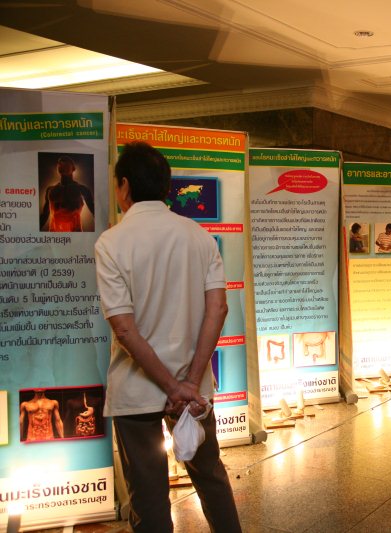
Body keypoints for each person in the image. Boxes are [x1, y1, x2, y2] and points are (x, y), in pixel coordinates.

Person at [94, 142, 241, 532]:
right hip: (194, 392)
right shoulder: (199, 237)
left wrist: (169, 387)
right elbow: (218, 309)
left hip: (137, 389)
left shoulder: (112, 243)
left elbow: (124, 328)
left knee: (148, 496)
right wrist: (188, 383)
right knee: (211, 478)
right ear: (165, 185)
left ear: (125, 186)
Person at [40, 155, 95, 232]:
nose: (62, 163)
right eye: (60, 163)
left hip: (75, 235)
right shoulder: (50, 190)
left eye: (66, 162)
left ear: (73, 168)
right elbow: (45, 215)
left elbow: (94, 212)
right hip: (55, 235)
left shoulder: (82, 189)